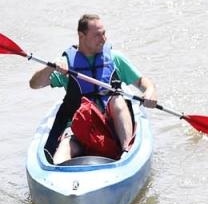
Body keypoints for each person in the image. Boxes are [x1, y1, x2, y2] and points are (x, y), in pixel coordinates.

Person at [28, 14, 156, 164]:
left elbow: (143, 82)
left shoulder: (115, 59)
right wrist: (50, 67)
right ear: (81, 36)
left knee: (117, 99)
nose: (103, 39)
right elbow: (34, 84)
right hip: (80, 130)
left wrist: (150, 91)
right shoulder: (67, 64)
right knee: (64, 148)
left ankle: (126, 153)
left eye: (104, 33)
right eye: (97, 35)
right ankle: (58, 174)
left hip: (111, 128)